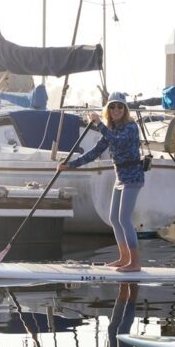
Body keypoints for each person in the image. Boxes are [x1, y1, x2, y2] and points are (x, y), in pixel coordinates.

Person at [58, 91, 145, 272]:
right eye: (112, 106)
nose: (116, 109)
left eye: (120, 106)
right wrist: (71, 165)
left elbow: (118, 142)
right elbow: (94, 152)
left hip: (133, 176)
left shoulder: (131, 127)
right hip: (120, 177)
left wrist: (99, 124)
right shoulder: (110, 129)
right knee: (114, 218)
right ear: (108, 109)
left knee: (124, 219)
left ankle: (135, 263)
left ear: (125, 109)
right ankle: (124, 258)